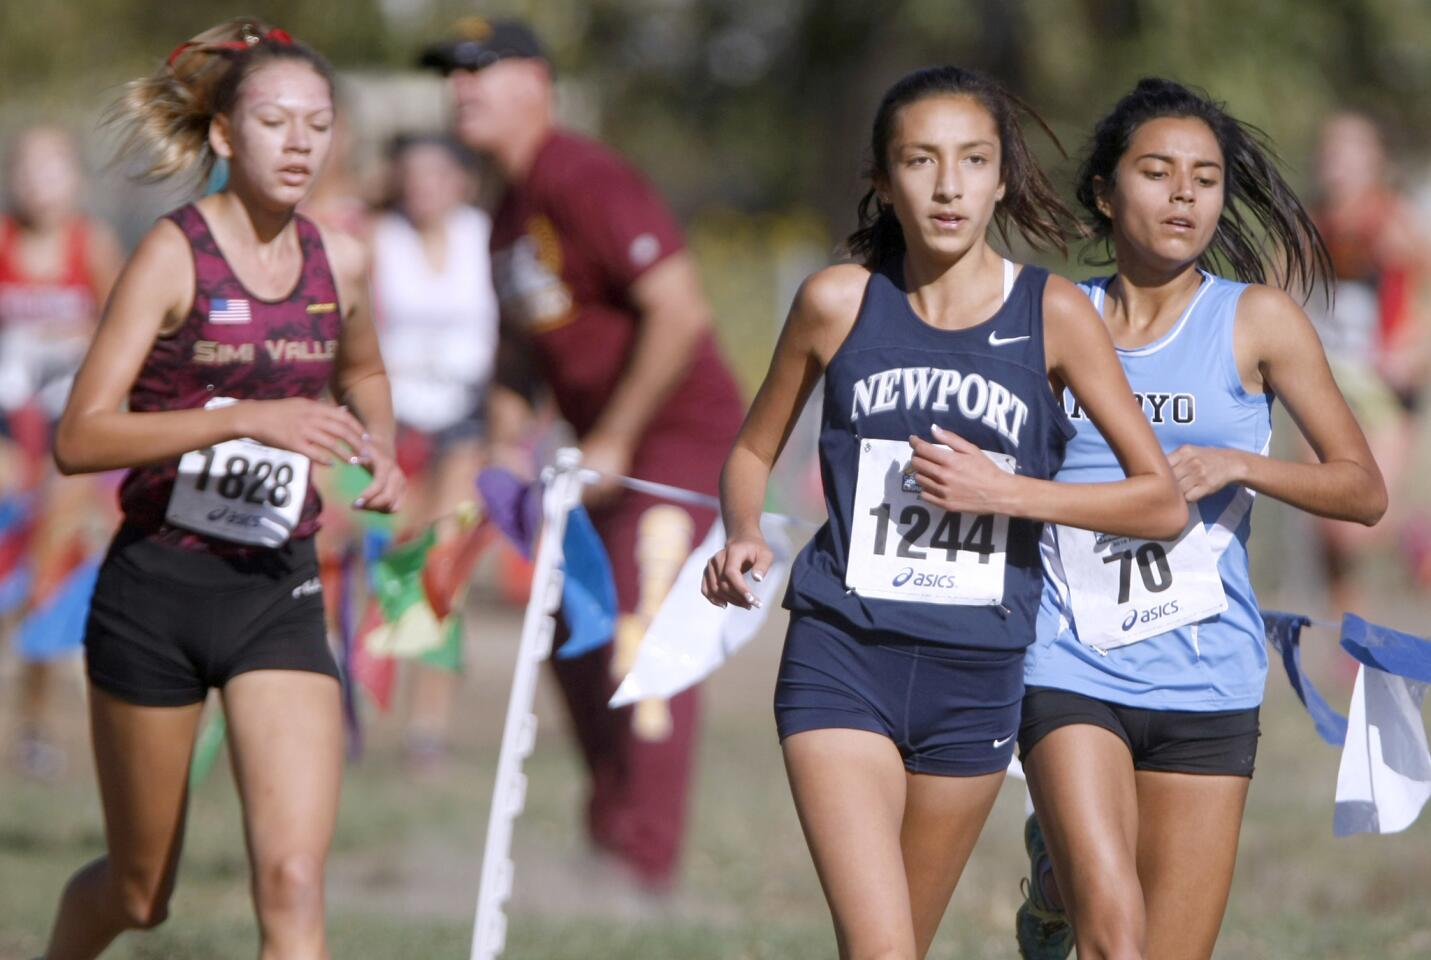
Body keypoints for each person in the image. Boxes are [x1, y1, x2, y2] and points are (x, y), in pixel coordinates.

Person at [702, 66, 1187, 960]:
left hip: (977, 673)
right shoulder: (835, 302)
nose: (948, 184)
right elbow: (749, 450)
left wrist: (1005, 494)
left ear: (1002, 176)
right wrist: (740, 531)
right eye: (920, 161)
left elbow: (1159, 503)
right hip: (842, 653)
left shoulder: (1055, 314)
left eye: (972, 159)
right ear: (884, 182)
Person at [39, 19, 403, 959]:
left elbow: (365, 371)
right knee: (138, 892)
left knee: (291, 881)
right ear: (224, 136)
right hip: (153, 593)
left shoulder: (341, 260)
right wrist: (244, 416)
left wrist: (384, 448)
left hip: (273, 591)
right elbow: (79, 438)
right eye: (276, 122)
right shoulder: (172, 254)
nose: (300, 144)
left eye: (317, 125)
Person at [1014, 79, 1387, 960]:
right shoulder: (1054, 316)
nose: (1184, 193)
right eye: (1156, 171)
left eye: (1205, 177)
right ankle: (1057, 890)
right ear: (1105, 192)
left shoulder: (1255, 320)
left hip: (1209, 675)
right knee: (1113, 934)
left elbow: (1361, 489)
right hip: (1068, 660)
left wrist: (1241, 464)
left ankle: (1053, 882)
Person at [421, 18, 747, 892]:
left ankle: (640, 873)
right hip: (598, 458)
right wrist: (499, 443)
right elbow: (519, 356)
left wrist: (611, 436)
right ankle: (608, 846)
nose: (460, 87)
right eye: (452, 74)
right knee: (571, 636)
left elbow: (679, 311)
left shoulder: (583, 175)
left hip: (678, 442)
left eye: (480, 70)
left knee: (643, 637)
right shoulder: (504, 211)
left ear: (537, 82)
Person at [370, 132, 498, 769]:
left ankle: (428, 730)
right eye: (410, 173)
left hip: (465, 423)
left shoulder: (486, 238)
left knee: (443, 566)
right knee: (388, 561)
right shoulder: (377, 240)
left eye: (435, 174)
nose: (422, 186)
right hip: (391, 424)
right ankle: (351, 714)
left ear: (461, 181)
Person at [0, 126, 124, 780]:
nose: (39, 182)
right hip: (5, 429)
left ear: (74, 179)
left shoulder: (92, 245)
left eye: (54, 168)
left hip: (67, 436)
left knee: (49, 573)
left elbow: (124, 330)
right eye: (30, 167)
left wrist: (69, 334)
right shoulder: (2, 242)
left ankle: (36, 726)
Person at [1306, 112, 1429, 613]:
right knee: (1323, 517)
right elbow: (1273, 290)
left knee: (1363, 516)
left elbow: (1424, 298)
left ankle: (1415, 539)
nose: (1339, 165)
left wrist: (1411, 351)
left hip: (1383, 386)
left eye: (1351, 153)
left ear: (1374, 162)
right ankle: (1347, 642)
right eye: (1331, 152)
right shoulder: (1314, 225)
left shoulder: (1394, 224)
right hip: (1328, 380)